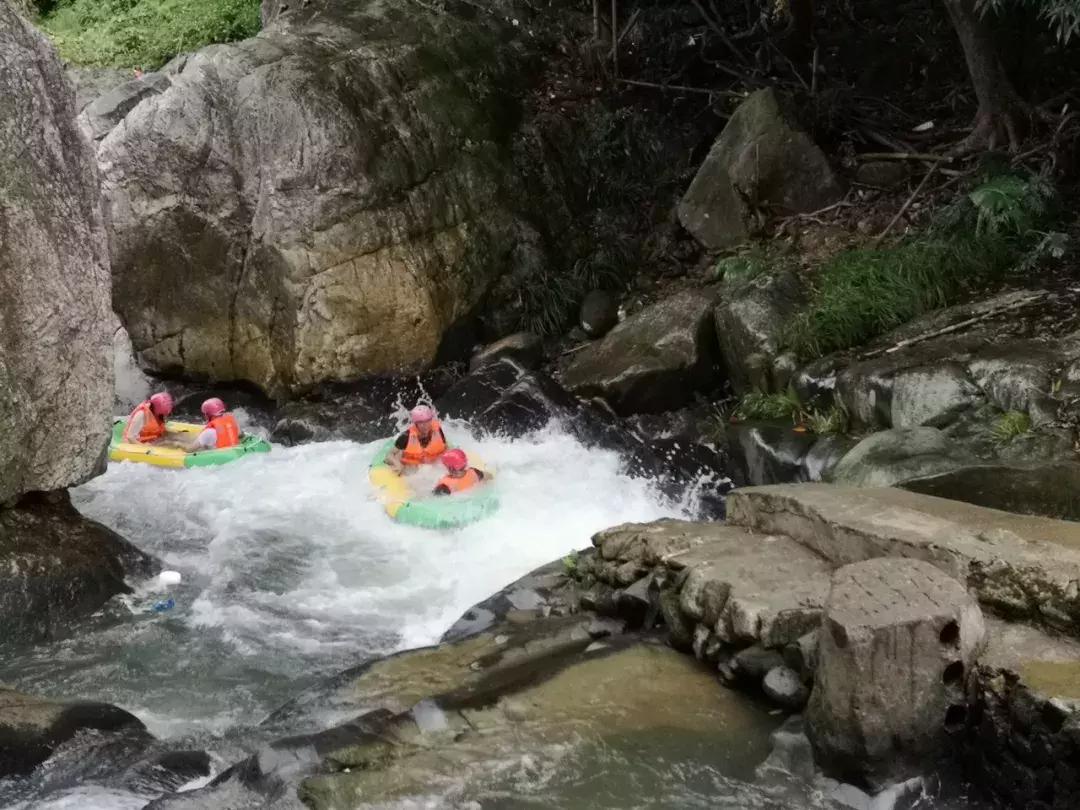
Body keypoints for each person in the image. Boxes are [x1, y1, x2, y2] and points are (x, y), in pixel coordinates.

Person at [386, 405, 447, 472]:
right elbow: (389, 454)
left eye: (427, 421)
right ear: (416, 423)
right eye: (421, 422)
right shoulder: (406, 436)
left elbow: (445, 447)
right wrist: (397, 464)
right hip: (412, 466)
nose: (425, 425)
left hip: (434, 463)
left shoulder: (438, 430)